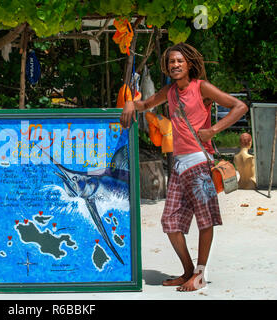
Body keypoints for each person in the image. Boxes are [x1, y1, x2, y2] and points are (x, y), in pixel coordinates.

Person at [120, 42, 248, 291]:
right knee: (170, 222)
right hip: (178, 167)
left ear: (189, 64)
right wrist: (128, 104)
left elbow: (239, 106)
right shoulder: (169, 91)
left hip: (200, 165)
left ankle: (199, 275)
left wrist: (212, 130)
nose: (175, 65)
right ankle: (188, 270)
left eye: (179, 61)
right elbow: (145, 105)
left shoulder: (202, 87)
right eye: (171, 62)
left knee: (205, 220)